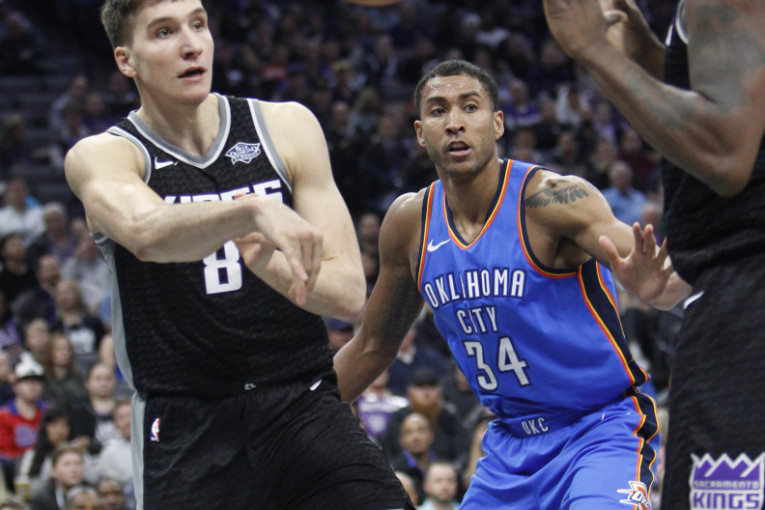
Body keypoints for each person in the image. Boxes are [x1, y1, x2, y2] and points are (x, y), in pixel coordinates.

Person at [63, 1, 413, 509]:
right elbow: (144, 231)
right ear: (126, 60)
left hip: (302, 402)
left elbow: (346, 294)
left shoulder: (286, 126)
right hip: (187, 423)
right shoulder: (104, 154)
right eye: (164, 32)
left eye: (198, 24)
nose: (191, 44)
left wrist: (268, 262)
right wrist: (248, 211)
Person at [334, 59, 685, 508]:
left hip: (601, 427)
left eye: (470, 107)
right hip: (510, 446)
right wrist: (291, 416)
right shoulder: (409, 223)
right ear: (421, 133)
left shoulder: (552, 199)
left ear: (497, 123)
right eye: (439, 111)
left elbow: (665, 277)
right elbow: (372, 345)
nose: (455, 123)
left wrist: (660, 290)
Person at [542, 1, 765, 507]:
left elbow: (727, 152)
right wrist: (644, 52)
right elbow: (736, 99)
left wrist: (593, 49)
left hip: (747, 300)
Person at [0, 358, 46, 494]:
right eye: (26, 381)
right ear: (15, 386)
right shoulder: (4, 415)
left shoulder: (49, 412)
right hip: (13, 473)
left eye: (36, 381)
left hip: (45, 469)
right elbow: (5, 454)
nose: (32, 386)